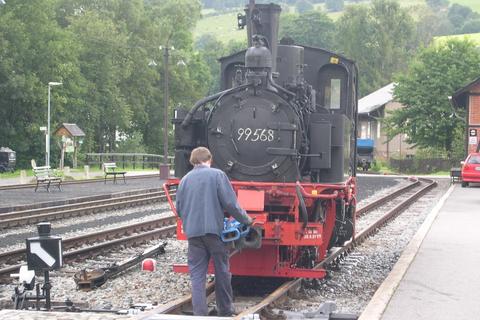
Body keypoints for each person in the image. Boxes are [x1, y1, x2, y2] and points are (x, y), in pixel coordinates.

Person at [175, 146, 252, 317]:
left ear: (193, 161)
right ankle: (225, 310)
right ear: (209, 160)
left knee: (197, 275)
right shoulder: (217, 175)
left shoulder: (185, 180)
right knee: (222, 270)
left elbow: (178, 209)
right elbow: (231, 204)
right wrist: (246, 220)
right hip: (214, 233)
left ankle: (200, 313)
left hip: (193, 234)